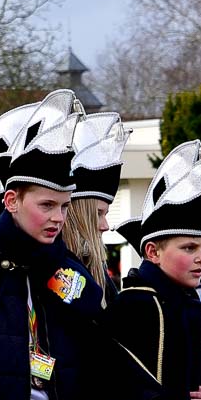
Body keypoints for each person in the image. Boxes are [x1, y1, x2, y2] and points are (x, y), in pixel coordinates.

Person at [0, 91, 163, 400]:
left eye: (64, 207)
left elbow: (105, 348)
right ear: (11, 201)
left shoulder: (66, 269)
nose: (58, 218)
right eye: (46, 205)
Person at [111, 143, 201, 400]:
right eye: (189, 248)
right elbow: (119, 375)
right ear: (153, 252)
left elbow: (199, 372)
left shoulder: (191, 303)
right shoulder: (133, 303)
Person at [65, 111, 127, 300]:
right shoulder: (50, 270)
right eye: (98, 213)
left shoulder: (97, 271)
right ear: (76, 214)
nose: (106, 226)